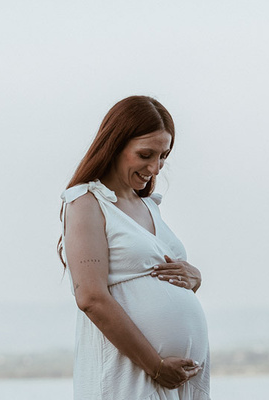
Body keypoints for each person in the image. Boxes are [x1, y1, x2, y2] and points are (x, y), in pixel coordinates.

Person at [59, 95, 211, 399]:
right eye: (145, 155)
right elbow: (90, 297)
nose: (155, 168)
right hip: (132, 374)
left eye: (163, 156)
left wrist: (194, 278)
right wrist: (155, 366)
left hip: (179, 380)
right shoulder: (87, 203)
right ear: (115, 145)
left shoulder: (148, 206)